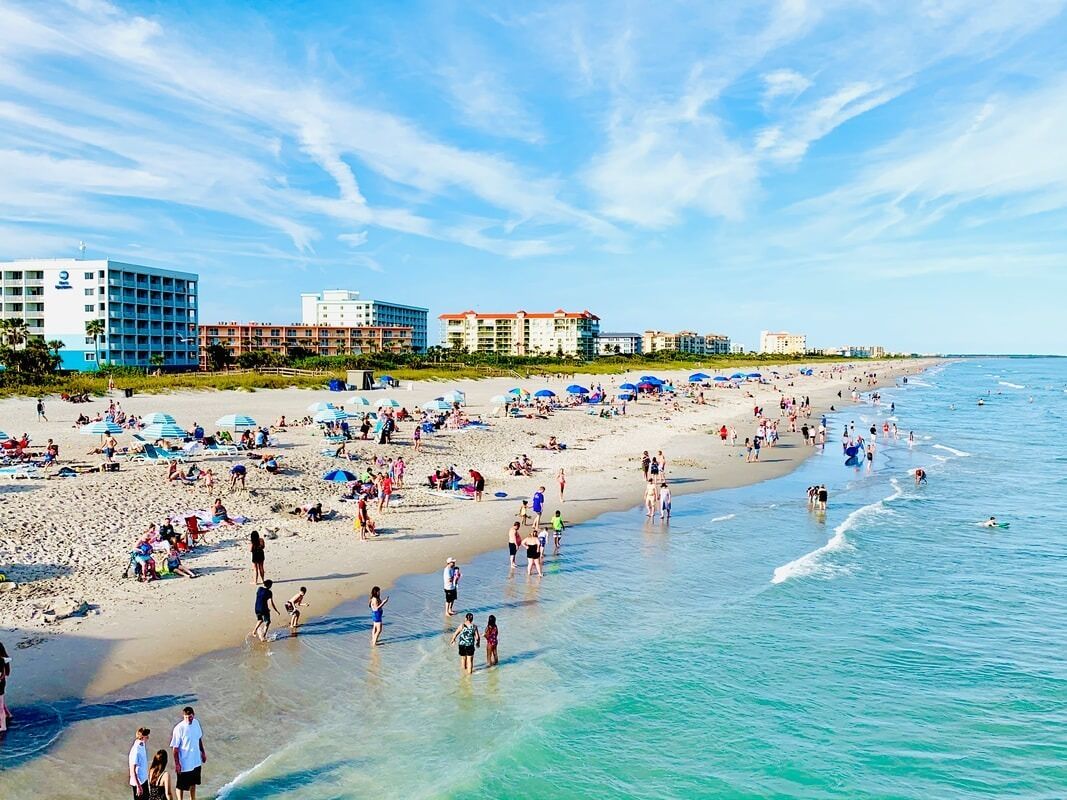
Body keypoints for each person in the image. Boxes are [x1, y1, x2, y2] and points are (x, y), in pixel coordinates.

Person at [170, 706, 206, 800]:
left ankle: (192, 798)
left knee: (194, 782)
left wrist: (203, 752)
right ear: (183, 716)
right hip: (184, 763)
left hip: (196, 760)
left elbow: (199, 739)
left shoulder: (196, 723)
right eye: (186, 717)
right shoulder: (179, 728)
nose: (188, 719)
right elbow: (175, 748)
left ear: (193, 715)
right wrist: (177, 764)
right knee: (181, 785)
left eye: (190, 717)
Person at [129, 726, 151, 798]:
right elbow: (132, 770)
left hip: (144, 780)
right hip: (138, 783)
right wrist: (138, 786)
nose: (148, 737)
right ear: (142, 737)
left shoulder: (142, 744)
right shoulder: (136, 751)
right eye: (146, 735)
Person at [0, 638, 11, 731]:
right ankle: (8, 714)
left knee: (0, 707)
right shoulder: (3, 660)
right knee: (1, 702)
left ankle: (3, 726)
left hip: (0, 685)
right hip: (1, 683)